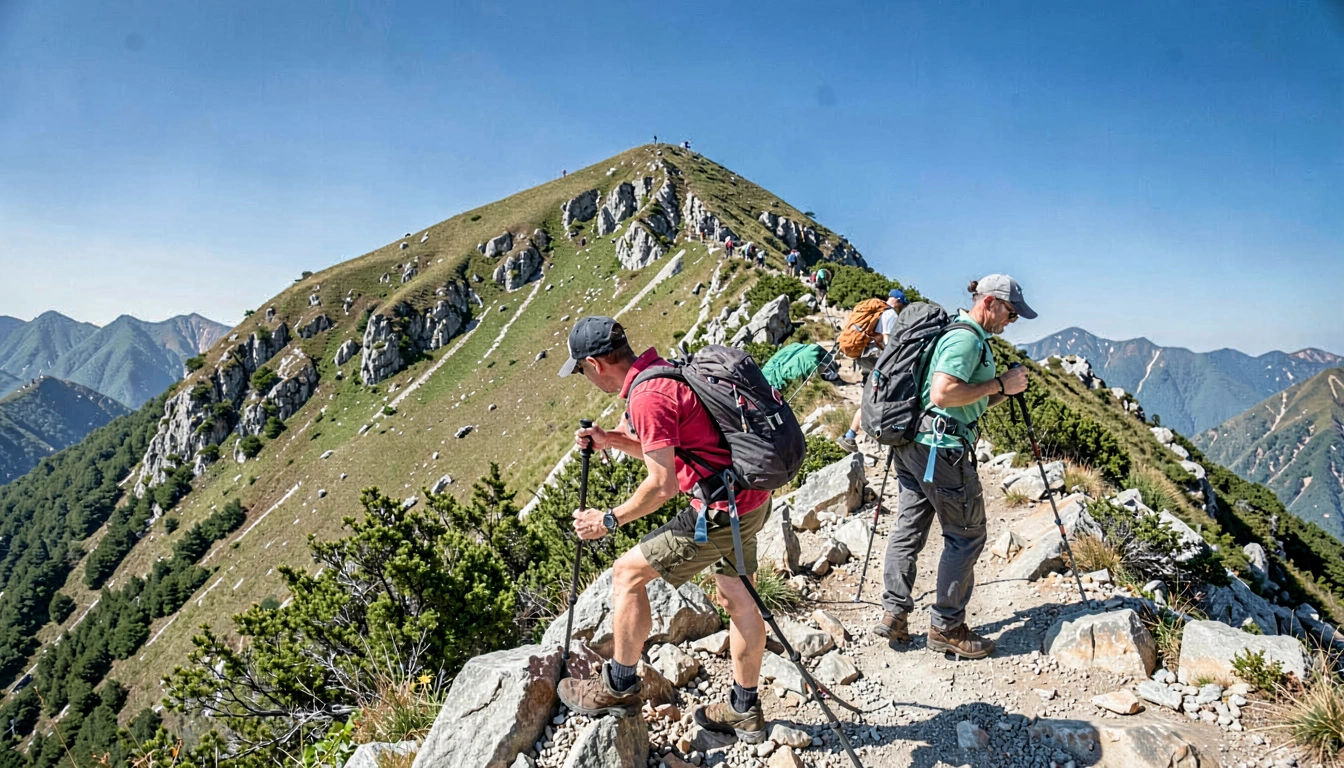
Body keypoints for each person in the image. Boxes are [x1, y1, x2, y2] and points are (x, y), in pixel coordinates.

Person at [556, 317, 774, 743]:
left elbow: (662, 485)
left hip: (717, 512)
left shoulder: (647, 397)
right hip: (748, 499)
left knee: (627, 573)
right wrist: (611, 440)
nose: (584, 378)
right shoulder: (662, 372)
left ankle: (618, 686)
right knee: (737, 599)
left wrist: (607, 519)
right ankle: (744, 709)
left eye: (581, 369)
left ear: (596, 363)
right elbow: (670, 450)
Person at [871, 275, 1035, 659]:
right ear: (990, 302)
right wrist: (999, 384)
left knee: (910, 525)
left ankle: (894, 611)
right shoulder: (966, 338)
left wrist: (1000, 390)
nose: (1010, 322)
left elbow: (963, 400)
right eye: (1010, 314)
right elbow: (944, 393)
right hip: (940, 448)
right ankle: (947, 626)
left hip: (914, 443)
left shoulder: (957, 333)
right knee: (966, 535)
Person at [836, 289, 908, 453]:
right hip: (875, 361)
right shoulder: (889, 314)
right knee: (882, 396)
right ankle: (883, 436)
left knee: (870, 397)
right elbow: (889, 344)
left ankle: (850, 435)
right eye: (901, 305)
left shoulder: (876, 310)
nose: (900, 308)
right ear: (897, 300)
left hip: (863, 358)